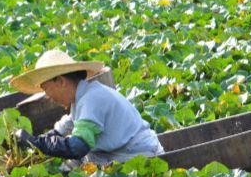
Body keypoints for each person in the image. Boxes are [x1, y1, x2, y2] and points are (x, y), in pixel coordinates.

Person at [10, 49, 164, 168]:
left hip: (139, 157)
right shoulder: (82, 97)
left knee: (76, 162)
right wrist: (42, 139)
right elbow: (67, 124)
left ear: (61, 81)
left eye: (46, 89)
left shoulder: (91, 99)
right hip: (120, 155)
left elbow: (78, 147)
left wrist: (37, 143)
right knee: (73, 166)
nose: (47, 96)